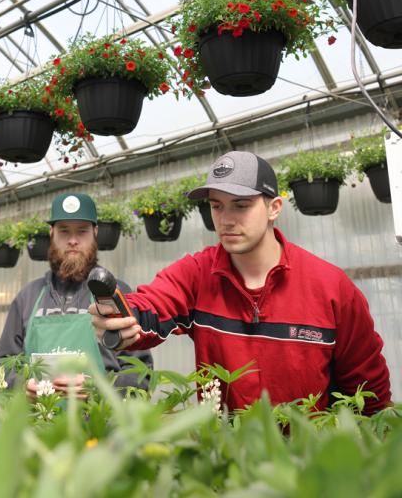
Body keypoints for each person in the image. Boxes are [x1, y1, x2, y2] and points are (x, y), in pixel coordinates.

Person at [89, 151, 392, 413]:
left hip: (309, 463)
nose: (226, 219)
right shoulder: (198, 274)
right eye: (217, 205)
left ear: (274, 208)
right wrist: (120, 317)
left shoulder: (330, 287)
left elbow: (368, 389)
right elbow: (153, 305)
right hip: (230, 459)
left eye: (241, 205)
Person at [0, 191, 153, 398]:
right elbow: (0, 365)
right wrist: (20, 385)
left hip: (101, 425)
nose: (73, 240)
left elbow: (141, 373)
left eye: (82, 231)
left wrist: (99, 389)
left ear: (95, 232)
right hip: (39, 425)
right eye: (64, 231)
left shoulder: (115, 293)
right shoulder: (28, 297)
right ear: (51, 233)